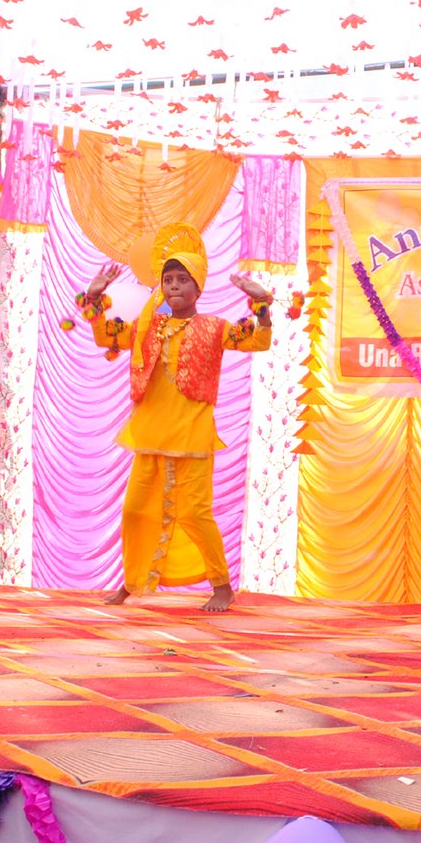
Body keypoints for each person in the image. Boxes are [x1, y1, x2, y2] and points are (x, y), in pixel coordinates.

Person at [78, 223, 273, 612]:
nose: (174, 287)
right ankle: (132, 583)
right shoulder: (147, 327)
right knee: (135, 511)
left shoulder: (214, 328)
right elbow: (106, 336)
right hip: (150, 434)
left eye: (183, 280)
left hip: (192, 434)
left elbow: (258, 340)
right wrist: (94, 297)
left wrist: (262, 304)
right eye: (168, 280)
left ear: (198, 289)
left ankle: (222, 586)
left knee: (195, 513)